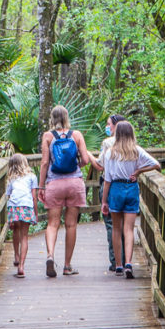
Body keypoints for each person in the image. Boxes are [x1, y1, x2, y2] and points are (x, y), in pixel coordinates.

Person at [38, 105, 101, 278]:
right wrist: (75, 166)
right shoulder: (77, 135)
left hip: (54, 184)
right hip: (74, 184)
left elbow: (44, 163)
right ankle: (67, 266)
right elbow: (86, 159)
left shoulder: (48, 136)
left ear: (52, 118)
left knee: (52, 224)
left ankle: (50, 255)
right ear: (67, 117)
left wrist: (41, 186)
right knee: (71, 224)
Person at [100, 120, 160, 278]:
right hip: (131, 189)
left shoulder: (109, 153)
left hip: (116, 190)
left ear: (117, 134)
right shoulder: (136, 151)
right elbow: (156, 164)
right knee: (128, 229)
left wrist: (104, 201)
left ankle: (118, 265)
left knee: (116, 228)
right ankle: (128, 263)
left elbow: (107, 180)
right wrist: (139, 171)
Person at [99, 113, 126, 271]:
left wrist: (87, 155)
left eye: (109, 124)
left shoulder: (108, 142)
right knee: (126, 226)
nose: (108, 127)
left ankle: (116, 261)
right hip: (128, 186)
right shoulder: (131, 143)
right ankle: (126, 260)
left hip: (110, 186)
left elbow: (101, 165)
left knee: (111, 224)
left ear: (117, 126)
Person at [6, 154, 39, 278]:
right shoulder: (32, 177)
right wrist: (35, 214)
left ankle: (16, 255)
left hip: (14, 207)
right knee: (24, 236)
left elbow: (9, 196)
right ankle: (21, 266)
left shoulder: (11, 179)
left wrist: (9, 218)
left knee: (16, 230)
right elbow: (34, 197)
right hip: (27, 206)